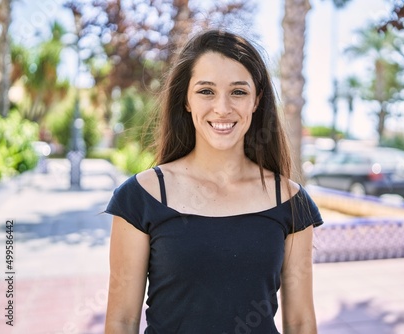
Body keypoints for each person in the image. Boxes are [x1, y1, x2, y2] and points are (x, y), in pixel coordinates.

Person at [104, 29, 323, 334]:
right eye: (206, 91)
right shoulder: (139, 198)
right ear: (187, 100)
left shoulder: (291, 202)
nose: (222, 108)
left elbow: (300, 323)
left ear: (256, 101)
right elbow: (121, 322)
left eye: (238, 91)